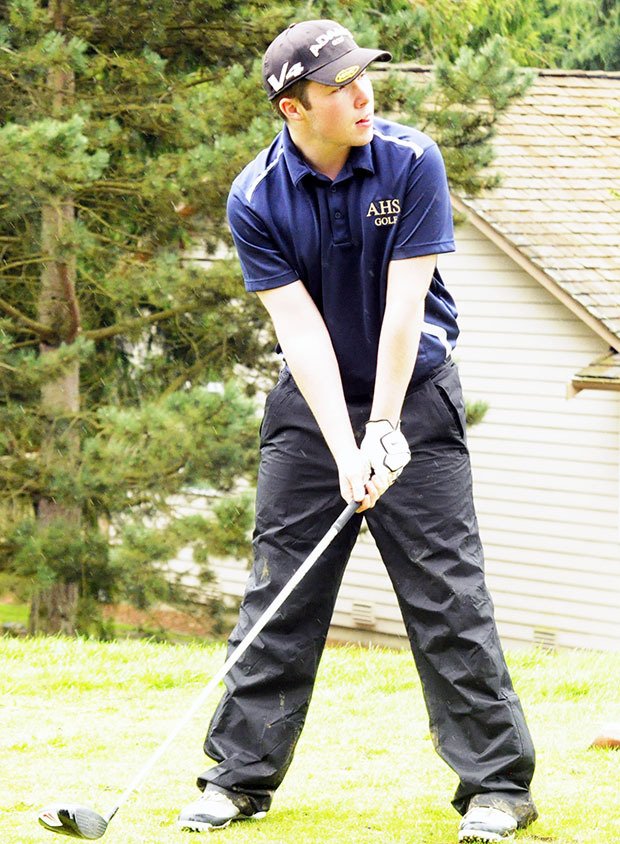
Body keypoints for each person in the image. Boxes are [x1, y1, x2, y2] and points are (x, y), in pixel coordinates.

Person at [178, 19, 538, 843]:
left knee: (447, 594)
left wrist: (382, 426)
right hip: (313, 408)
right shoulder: (255, 197)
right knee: (281, 590)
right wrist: (345, 448)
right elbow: (299, 332)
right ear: (293, 107)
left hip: (415, 394)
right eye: (338, 86)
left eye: (363, 77)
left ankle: (497, 788)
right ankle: (236, 779)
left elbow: (405, 309)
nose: (363, 94)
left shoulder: (412, 161)